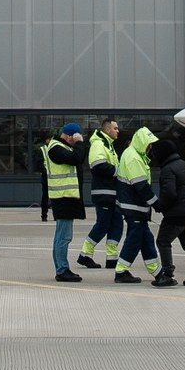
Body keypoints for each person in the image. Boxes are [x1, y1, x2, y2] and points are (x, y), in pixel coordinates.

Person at [152, 138, 185, 288]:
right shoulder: (184, 165)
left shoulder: (167, 169)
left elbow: (169, 194)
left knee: (163, 241)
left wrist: (161, 206)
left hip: (175, 214)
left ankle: (167, 274)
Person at [113, 124, 161, 282]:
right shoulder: (133, 157)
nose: (151, 147)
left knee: (145, 238)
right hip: (134, 206)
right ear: (141, 142)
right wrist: (156, 203)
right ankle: (121, 271)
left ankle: (157, 272)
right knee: (135, 239)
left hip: (134, 206)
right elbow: (141, 185)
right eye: (149, 144)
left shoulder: (134, 154)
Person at [43, 123, 87, 281]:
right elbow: (76, 159)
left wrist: (78, 144)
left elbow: (77, 158)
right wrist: (80, 143)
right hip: (63, 197)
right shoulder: (55, 148)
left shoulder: (60, 147)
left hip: (65, 196)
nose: (76, 142)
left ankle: (62, 268)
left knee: (61, 235)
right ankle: (62, 270)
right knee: (64, 236)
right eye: (75, 138)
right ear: (69, 136)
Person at [80, 117, 122, 269]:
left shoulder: (108, 145)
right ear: (107, 130)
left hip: (112, 193)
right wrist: (119, 171)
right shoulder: (99, 144)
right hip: (104, 192)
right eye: (115, 128)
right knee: (103, 225)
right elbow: (97, 165)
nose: (118, 131)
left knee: (116, 225)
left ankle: (112, 259)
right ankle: (85, 254)